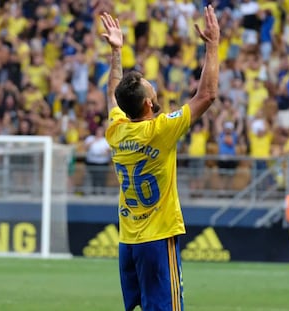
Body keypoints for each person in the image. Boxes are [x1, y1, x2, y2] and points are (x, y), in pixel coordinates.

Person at [101, 6, 220, 311]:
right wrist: (213, 45)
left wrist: (116, 53)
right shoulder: (160, 130)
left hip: (128, 240)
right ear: (148, 103)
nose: (151, 83)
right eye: (148, 85)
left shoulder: (117, 130)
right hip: (157, 238)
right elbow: (206, 96)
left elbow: (113, 94)